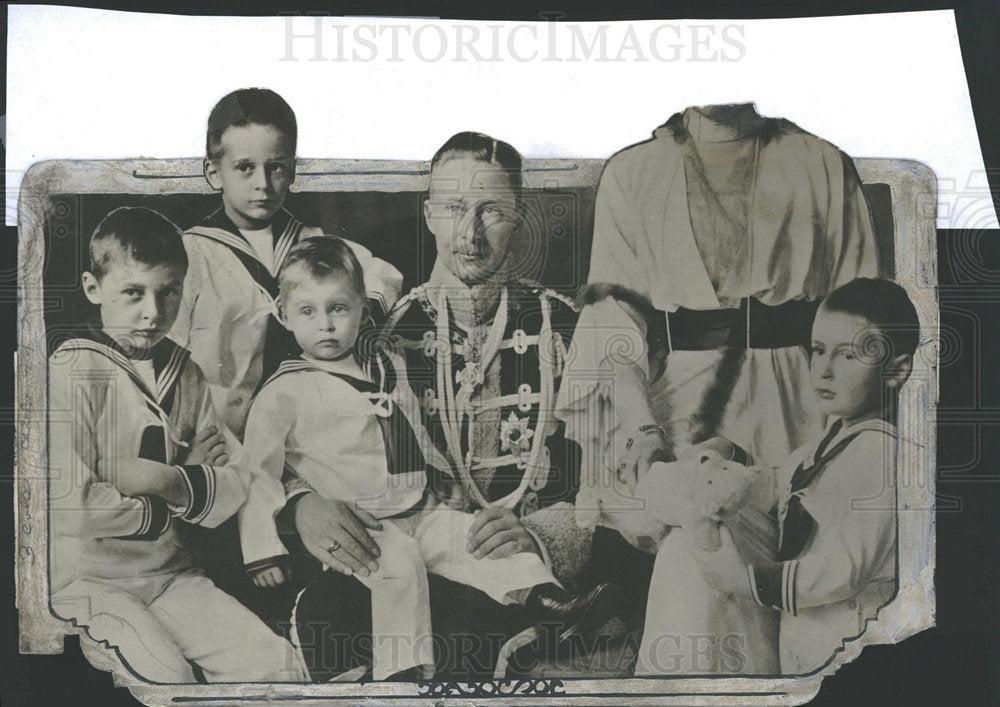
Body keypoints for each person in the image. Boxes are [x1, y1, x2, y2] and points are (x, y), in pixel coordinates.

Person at [555, 103, 881, 673]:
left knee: (805, 568)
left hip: (804, 401)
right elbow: (612, 329)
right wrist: (644, 432)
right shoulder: (632, 172)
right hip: (682, 408)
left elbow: (866, 315)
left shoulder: (822, 162)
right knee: (699, 553)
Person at [287, 132, 617, 680]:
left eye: (492, 211)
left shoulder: (565, 329)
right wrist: (303, 504)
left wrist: (544, 537)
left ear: (520, 217)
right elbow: (309, 439)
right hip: (408, 564)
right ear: (429, 215)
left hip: (519, 578)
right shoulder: (379, 338)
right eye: (455, 208)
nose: (471, 235)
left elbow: (609, 473)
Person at [47, 207, 306, 683]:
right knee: (167, 676)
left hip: (172, 575)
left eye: (168, 292)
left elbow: (233, 484)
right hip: (91, 580)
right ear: (93, 288)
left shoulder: (186, 373)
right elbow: (73, 507)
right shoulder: (71, 370)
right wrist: (185, 485)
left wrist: (166, 478)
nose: (153, 311)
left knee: (278, 667)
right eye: (133, 293)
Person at [691, 277, 916, 673]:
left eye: (847, 356)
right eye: (818, 350)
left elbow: (844, 569)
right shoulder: (837, 437)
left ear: (896, 372)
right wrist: (726, 454)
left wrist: (745, 580)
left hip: (849, 642)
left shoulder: (882, 454)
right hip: (808, 635)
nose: (824, 370)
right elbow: (782, 482)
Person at [168, 87, 402, 438]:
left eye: (275, 167)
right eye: (244, 168)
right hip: (223, 439)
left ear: (293, 170)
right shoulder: (189, 255)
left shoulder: (317, 244)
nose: (262, 184)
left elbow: (383, 278)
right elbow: (167, 360)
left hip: (311, 436)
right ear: (214, 172)